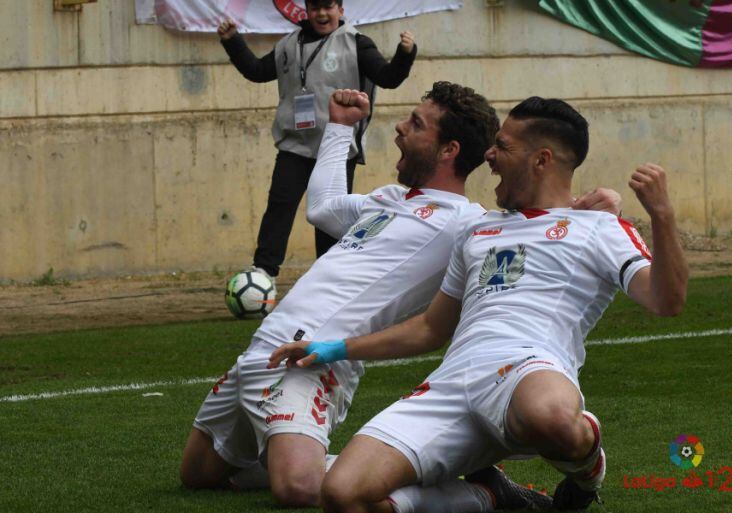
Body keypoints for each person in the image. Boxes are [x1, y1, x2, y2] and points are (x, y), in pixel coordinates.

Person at [180, 83, 620, 508]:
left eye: (416, 124)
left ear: (448, 150)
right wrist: (338, 129)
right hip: (263, 349)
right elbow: (322, 207)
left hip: (313, 359)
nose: (400, 129)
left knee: (298, 488)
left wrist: (588, 207)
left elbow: (532, 227)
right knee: (198, 476)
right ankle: (296, 454)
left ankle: (481, 493)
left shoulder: (465, 223)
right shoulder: (390, 199)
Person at [269, 96, 689, 512]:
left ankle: (586, 469)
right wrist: (334, 348)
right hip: (451, 384)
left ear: (541, 160)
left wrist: (662, 215)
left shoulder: (600, 228)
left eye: (503, 146)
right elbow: (431, 328)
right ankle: (487, 496)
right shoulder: (478, 229)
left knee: (551, 417)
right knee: (342, 494)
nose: (489, 154)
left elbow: (666, 300)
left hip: (528, 368)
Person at [218, 0, 417, 288]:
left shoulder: (356, 43)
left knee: (329, 218)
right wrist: (233, 42)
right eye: (315, 8)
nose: (321, 14)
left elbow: (388, 78)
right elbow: (257, 71)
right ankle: (263, 273)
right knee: (279, 207)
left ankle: (327, 279)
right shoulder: (289, 44)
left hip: (336, 149)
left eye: (328, 7)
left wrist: (405, 54)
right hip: (294, 146)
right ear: (306, 11)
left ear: (340, 10)